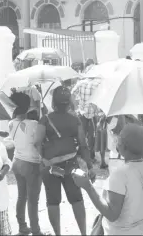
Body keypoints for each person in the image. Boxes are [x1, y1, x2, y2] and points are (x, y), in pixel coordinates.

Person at [72, 124, 143, 235]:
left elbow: (112, 215)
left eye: (119, 139)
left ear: (123, 146)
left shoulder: (120, 174)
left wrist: (88, 187)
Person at [34, 86, 95, 236]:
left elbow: (37, 143)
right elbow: (83, 144)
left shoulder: (45, 119)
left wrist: (43, 160)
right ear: (69, 102)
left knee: (53, 201)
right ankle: (83, 233)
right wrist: (90, 166)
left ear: (54, 101)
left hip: (50, 166)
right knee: (77, 199)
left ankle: (58, 234)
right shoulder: (75, 119)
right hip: (71, 164)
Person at [8, 92, 44, 236]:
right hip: (31, 164)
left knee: (21, 196)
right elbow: (39, 142)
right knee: (33, 199)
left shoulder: (11, 123)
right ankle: (36, 231)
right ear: (27, 106)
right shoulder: (34, 124)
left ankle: (22, 227)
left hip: (17, 162)